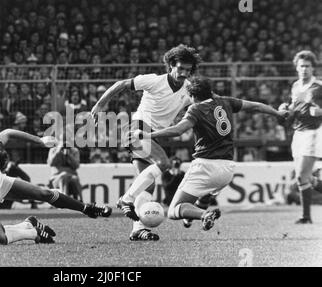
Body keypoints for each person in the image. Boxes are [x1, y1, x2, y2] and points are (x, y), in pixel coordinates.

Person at [128, 77, 288, 230]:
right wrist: (277, 113)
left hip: (205, 166)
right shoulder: (226, 102)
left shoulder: (196, 109)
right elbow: (256, 106)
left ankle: (204, 214)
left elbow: (178, 130)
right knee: (203, 194)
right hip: (228, 169)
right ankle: (199, 207)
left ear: (192, 96)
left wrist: (149, 135)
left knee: (173, 210)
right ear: (210, 92)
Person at [91, 44, 201, 241]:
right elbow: (122, 84)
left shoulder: (188, 89)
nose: (183, 73)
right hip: (138, 128)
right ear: (170, 66)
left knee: (147, 185)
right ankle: (126, 199)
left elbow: (206, 102)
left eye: (187, 70)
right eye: (180, 68)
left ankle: (138, 229)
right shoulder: (154, 80)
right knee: (164, 164)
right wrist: (100, 105)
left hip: (155, 136)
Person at [0, 128, 112, 245]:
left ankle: (87, 208)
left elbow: (8, 132)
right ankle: (30, 227)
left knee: (44, 193)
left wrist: (40, 141)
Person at [278, 50, 322, 224]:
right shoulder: (295, 86)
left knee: (300, 176)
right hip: (298, 133)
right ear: (296, 68)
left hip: (314, 132)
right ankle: (306, 216)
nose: (304, 69)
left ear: (313, 68)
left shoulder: (319, 86)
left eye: (308, 66)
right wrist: (286, 108)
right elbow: (294, 108)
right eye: (301, 66)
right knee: (306, 177)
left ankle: (306, 217)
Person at [47, 137, 83, 202]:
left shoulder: (75, 150)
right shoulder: (53, 150)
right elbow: (51, 163)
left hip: (71, 176)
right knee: (64, 175)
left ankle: (80, 200)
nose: (65, 143)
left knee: (74, 178)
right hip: (56, 178)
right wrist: (58, 150)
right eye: (63, 140)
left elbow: (76, 166)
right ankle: (65, 200)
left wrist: (69, 155)